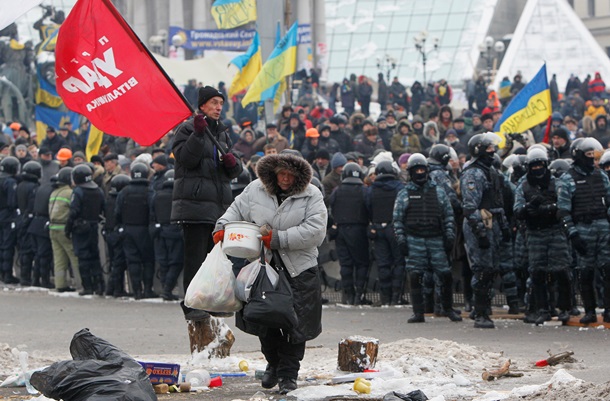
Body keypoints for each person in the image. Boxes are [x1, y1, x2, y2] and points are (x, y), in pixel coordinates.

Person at [213, 153, 326, 394]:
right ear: (273, 173)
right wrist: (222, 227)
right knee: (265, 319)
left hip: (299, 269)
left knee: (294, 325)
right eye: (281, 174)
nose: (285, 179)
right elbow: (235, 211)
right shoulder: (255, 189)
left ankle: (288, 374)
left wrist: (277, 239)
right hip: (263, 265)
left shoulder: (312, 195)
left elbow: (315, 231)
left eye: (290, 175)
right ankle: (273, 363)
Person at [171, 85, 243, 320]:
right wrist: (198, 134)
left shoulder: (222, 133)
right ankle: (192, 303)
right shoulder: (187, 129)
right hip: (194, 206)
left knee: (215, 258)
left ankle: (210, 301)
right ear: (202, 105)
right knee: (195, 258)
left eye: (220, 103)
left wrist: (233, 164)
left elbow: (234, 172)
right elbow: (186, 159)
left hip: (217, 207)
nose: (218, 107)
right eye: (213, 103)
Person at [393, 154, 461, 323]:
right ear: (411, 172)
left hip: (436, 239)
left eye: (423, 169)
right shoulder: (404, 194)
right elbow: (398, 219)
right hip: (414, 239)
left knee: (445, 274)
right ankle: (418, 312)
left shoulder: (438, 192)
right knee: (415, 276)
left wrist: (449, 236)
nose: (420, 172)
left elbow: (448, 216)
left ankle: (448, 309)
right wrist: (401, 239)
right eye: (417, 170)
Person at [514, 147, 572, 325]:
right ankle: (543, 309)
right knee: (537, 272)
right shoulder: (523, 185)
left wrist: (549, 208)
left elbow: (564, 205)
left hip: (554, 230)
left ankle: (565, 308)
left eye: (540, 165)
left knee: (561, 270)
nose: (537, 169)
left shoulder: (557, 183)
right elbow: (517, 209)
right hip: (535, 232)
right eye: (534, 166)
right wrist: (529, 207)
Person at [557, 138, 610, 324]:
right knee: (585, 272)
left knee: (607, 269)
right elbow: (563, 210)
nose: (591, 160)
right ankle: (589, 310)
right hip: (583, 229)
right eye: (588, 155)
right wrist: (572, 233)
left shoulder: (601, 176)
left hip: (603, 227)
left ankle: (608, 309)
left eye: (593, 156)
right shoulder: (568, 179)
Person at [460, 133, 508, 329]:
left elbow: (498, 202)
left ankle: (484, 308)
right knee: (482, 270)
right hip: (480, 224)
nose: (492, 152)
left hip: (493, 223)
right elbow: (470, 208)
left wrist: (504, 227)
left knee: (492, 269)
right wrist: (480, 232)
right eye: (488, 149)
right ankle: (480, 312)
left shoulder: (492, 172)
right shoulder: (473, 173)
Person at [329, 162, 371, 305]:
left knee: (346, 264)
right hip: (359, 230)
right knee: (361, 263)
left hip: (340, 230)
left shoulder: (337, 190)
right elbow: (369, 208)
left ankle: (349, 295)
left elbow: (331, 207)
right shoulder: (364, 190)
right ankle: (359, 295)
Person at [365, 160, 405, 305]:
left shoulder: (371, 189)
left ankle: (385, 297)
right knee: (398, 262)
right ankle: (396, 297)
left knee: (383, 264)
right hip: (395, 228)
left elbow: (367, 206)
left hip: (378, 229)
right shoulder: (399, 187)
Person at [116, 163, 155, 299]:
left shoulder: (124, 191)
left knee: (133, 261)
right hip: (145, 230)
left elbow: (117, 211)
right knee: (148, 261)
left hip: (128, 230)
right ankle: (148, 290)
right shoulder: (149, 191)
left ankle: (137, 291)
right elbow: (153, 211)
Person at [66, 164, 105, 296]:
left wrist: (68, 229)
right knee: (94, 256)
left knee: (83, 258)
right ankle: (99, 285)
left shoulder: (78, 191)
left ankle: (87, 286)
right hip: (94, 226)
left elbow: (73, 212)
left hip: (80, 228)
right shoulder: (98, 190)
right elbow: (102, 208)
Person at [150, 169, 183, 301]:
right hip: (175, 232)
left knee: (163, 262)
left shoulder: (157, 195)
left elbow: (152, 215)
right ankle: (167, 289)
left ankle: (165, 287)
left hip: (160, 232)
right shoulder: (179, 195)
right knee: (176, 262)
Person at [49, 167, 80, 291]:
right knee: (74, 257)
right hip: (64, 228)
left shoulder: (54, 193)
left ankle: (60, 284)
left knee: (59, 258)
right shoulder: (69, 193)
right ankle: (81, 283)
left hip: (53, 228)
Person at [103, 174, 130, 297]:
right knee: (119, 263)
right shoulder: (120, 200)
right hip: (117, 234)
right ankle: (116, 289)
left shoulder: (109, 199)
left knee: (114, 262)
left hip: (109, 233)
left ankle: (111, 288)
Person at [16, 160, 41, 286]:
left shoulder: (20, 184)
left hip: (21, 217)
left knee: (23, 249)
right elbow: (32, 205)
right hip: (29, 220)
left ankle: (24, 276)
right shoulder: (33, 187)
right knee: (30, 250)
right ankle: (27, 278)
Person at [0, 156, 20, 284]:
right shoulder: (10, 182)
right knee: (7, 245)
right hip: (7, 215)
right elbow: (13, 202)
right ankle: (7, 274)